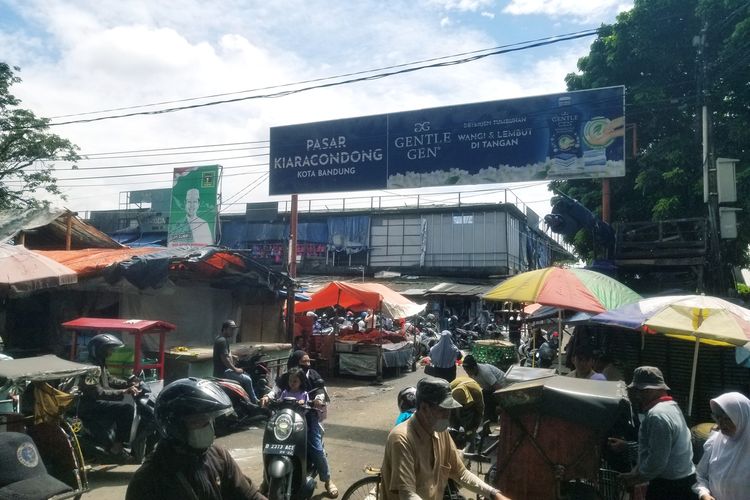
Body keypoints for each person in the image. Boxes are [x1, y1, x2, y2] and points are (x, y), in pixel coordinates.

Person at [126, 378, 267, 500]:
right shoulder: (148, 480)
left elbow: (250, 496)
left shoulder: (218, 456)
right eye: (198, 421)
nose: (208, 427)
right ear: (175, 427)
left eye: (209, 420)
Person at [380, 376, 511, 500]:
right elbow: (407, 494)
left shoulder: (440, 432)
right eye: (443, 410)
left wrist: (494, 494)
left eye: (449, 410)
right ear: (425, 408)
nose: (448, 415)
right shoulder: (402, 439)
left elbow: (461, 473)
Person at [260, 351, 337, 497]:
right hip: (286, 419)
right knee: (270, 446)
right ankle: (266, 480)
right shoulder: (286, 377)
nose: (307, 365)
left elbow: (320, 390)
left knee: (316, 449)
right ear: (295, 363)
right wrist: (267, 397)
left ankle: (327, 480)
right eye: (304, 362)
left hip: (308, 418)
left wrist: (318, 399)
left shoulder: (313, 375)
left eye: (309, 362)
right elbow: (275, 391)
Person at [612, 366, 695, 499]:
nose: (638, 396)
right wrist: (635, 472)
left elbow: (657, 462)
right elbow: (656, 449)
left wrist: (636, 478)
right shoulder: (671, 407)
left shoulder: (657, 416)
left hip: (670, 488)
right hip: (681, 482)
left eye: (641, 391)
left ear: (650, 390)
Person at [79, 333, 141, 457]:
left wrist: (128, 383)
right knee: (126, 408)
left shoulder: (100, 364)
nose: (111, 352)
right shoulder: (90, 368)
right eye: (108, 349)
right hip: (91, 405)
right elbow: (97, 392)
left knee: (128, 402)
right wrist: (123, 391)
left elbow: (110, 380)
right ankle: (117, 446)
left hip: (98, 401)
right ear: (99, 350)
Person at [692, 392, 750, 500]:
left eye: (728, 418)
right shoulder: (715, 442)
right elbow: (701, 475)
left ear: (742, 417)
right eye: (718, 418)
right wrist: (704, 494)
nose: (721, 423)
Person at [213, 319, 259, 404]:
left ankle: (245, 400)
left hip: (223, 371)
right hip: (224, 373)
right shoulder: (222, 341)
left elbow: (224, 354)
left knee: (246, 375)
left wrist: (233, 356)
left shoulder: (221, 339)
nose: (233, 332)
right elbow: (224, 359)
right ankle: (254, 401)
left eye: (234, 329)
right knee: (248, 379)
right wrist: (235, 369)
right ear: (225, 329)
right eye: (231, 329)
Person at [461, 354, 506, 422]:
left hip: (503, 388)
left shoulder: (485, 372)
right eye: (466, 371)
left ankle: (489, 419)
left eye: (468, 371)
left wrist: (502, 405)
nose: (467, 373)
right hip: (490, 389)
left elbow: (499, 388)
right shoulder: (472, 373)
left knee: (486, 401)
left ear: (474, 367)